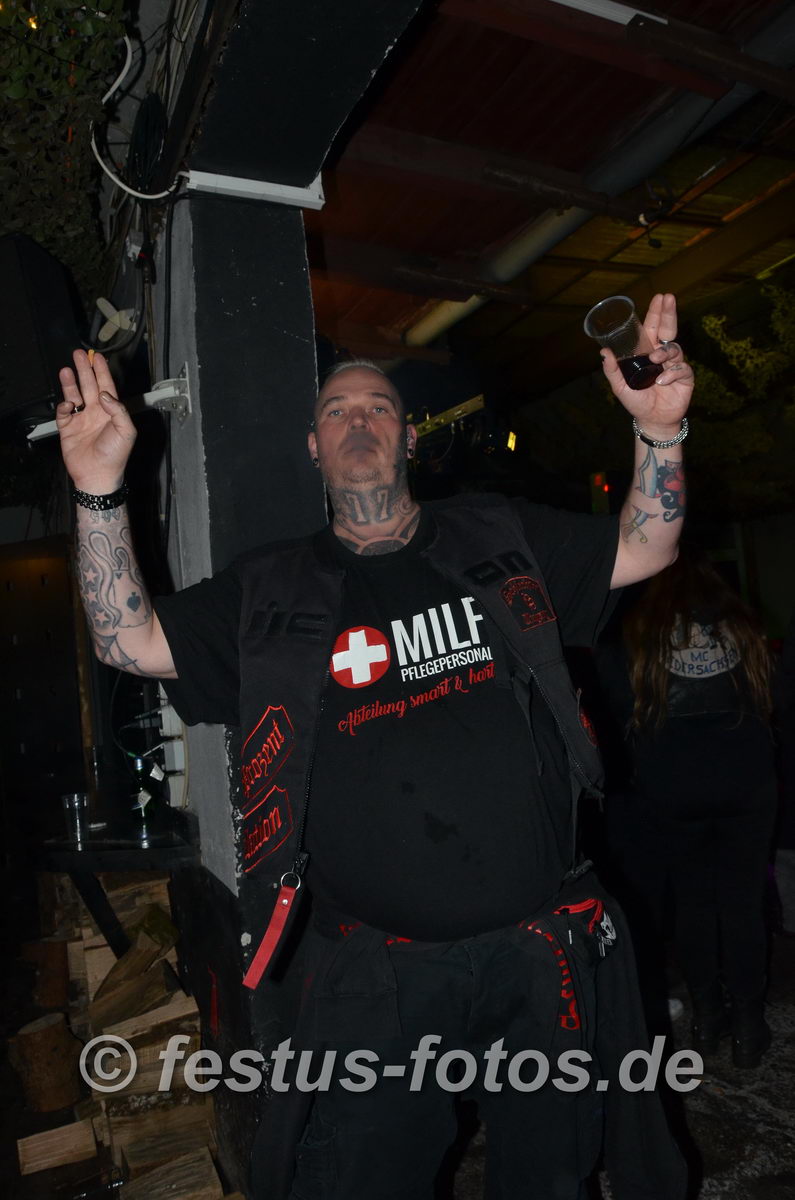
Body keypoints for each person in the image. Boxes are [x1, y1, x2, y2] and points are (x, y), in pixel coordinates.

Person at [57, 294, 692, 1199]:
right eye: (336, 410)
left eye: (379, 407)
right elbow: (129, 642)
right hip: (377, 973)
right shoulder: (270, 587)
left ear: (409, 436)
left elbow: (647, 547)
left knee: (551, 1175)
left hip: (537, 945)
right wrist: (97, 489)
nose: (358, 422)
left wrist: (659, 430)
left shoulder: (496, 532)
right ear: (313, 446)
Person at [619, 547, 777, 1069]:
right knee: (742, 903)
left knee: (691, 903)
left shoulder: (642, 632)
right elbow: (776, 693)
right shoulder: (744, 628)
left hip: (672, 785)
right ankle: (749, 1027)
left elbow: (618, 701)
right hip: (745, 782)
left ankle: (708, 1020)